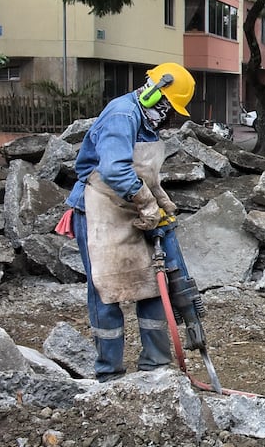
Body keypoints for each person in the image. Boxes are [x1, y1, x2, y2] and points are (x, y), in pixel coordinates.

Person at [58, 62, 198, 382]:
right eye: (168, 107)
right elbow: (115, 169)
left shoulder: (146, 123)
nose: (168, 116)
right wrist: (147, 202)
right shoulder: (123, 115)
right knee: (105, 289)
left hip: (131, 206)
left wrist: (159, 202)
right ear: (153, 94)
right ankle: (109, 374)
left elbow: (143, 171)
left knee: (153, 283)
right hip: (98, 210)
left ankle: (155, 366)